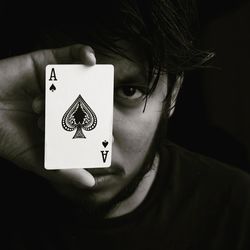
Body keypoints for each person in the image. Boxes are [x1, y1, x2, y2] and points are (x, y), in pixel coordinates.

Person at [1, 1, 250, 249]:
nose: (96, 135)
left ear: (172, 94)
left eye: (129, 91)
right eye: (70, 89)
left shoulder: (238, 212)